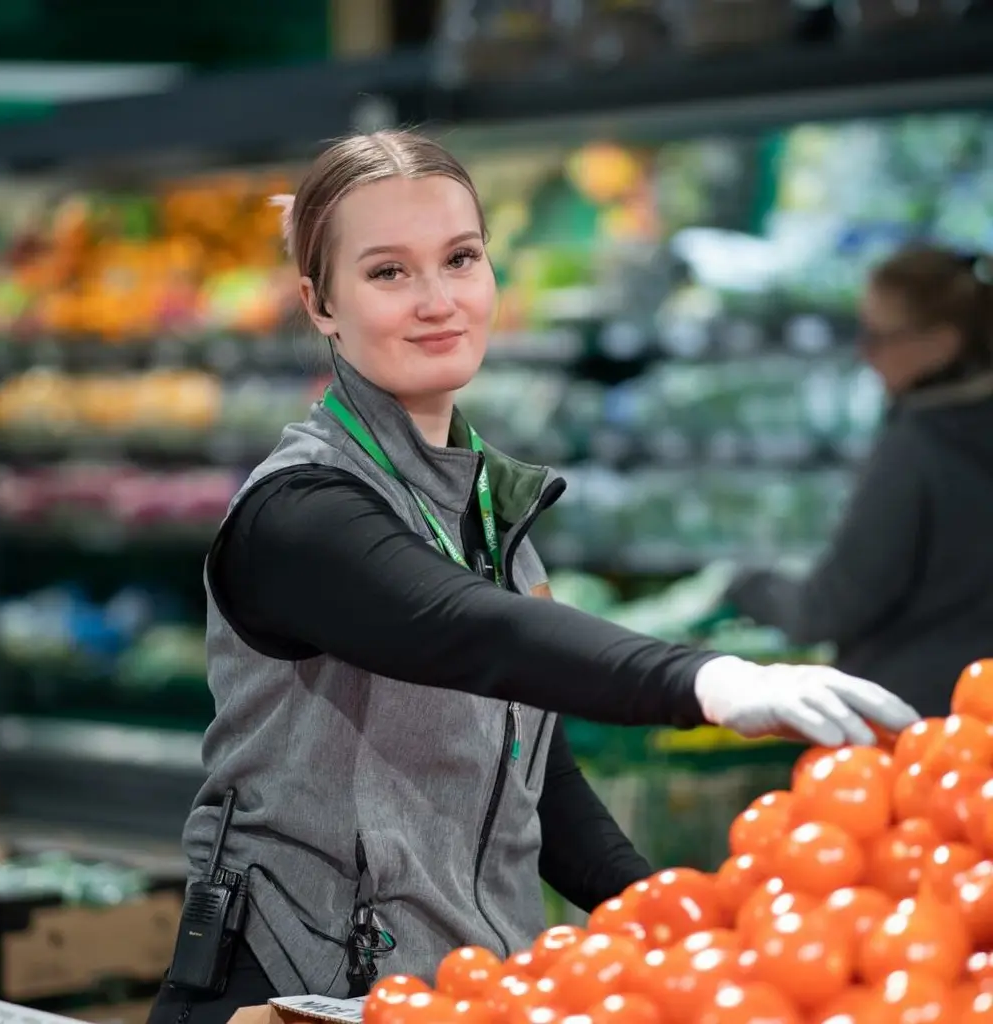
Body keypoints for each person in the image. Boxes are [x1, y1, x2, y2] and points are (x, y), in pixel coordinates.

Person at [148, 130, 918, 1022]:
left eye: (460, 259)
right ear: (322, 304)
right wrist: (704, 677)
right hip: (295, 991)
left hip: (461, 995)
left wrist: (677, 923)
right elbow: (465, 629)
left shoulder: (485, 510)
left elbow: (538, 782)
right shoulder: (300, 514)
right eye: (388, 273)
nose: (438, 301)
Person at [726, 244, 993, 718]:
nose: (865, 355)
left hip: (914, 726)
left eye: (877, 336)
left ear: (942, 341)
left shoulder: (917, 450)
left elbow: (831, 607)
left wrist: (750, 586)